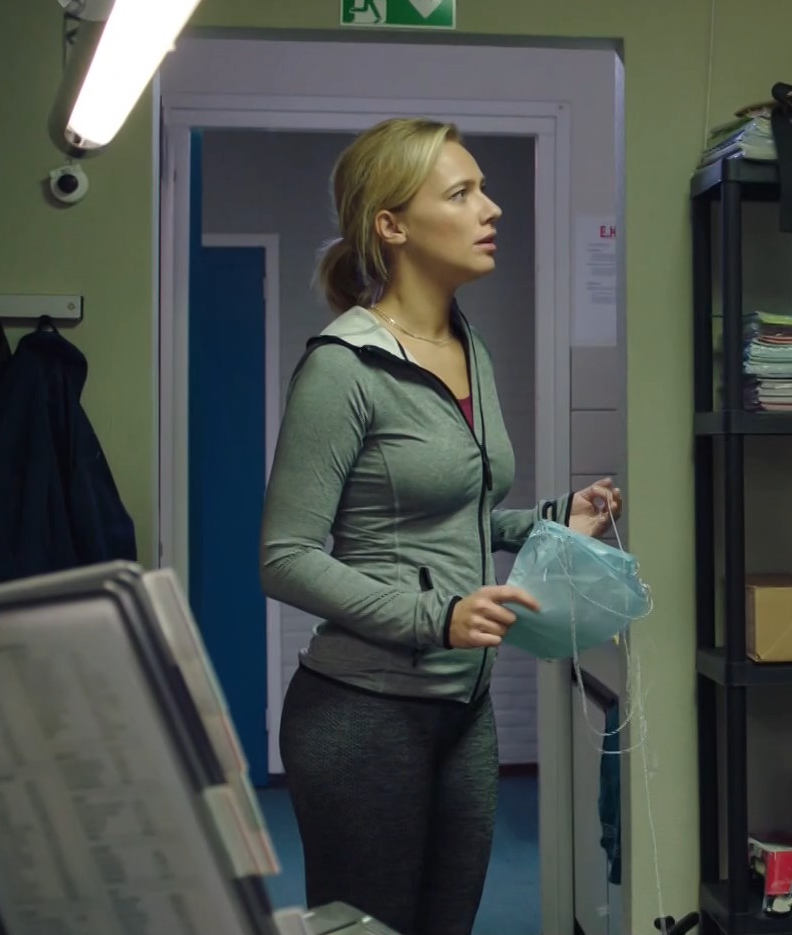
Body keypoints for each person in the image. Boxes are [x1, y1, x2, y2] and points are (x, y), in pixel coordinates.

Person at [261, 117, 623, 935]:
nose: (491, 209)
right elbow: (284, 558)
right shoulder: (342, 367)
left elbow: (450, 513)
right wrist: (438, 616)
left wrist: (553, 519)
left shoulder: (467, 345)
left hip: (464, 709)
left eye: (483, 190)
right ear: (391, 225)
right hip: (362, 716)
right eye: (461, 193)